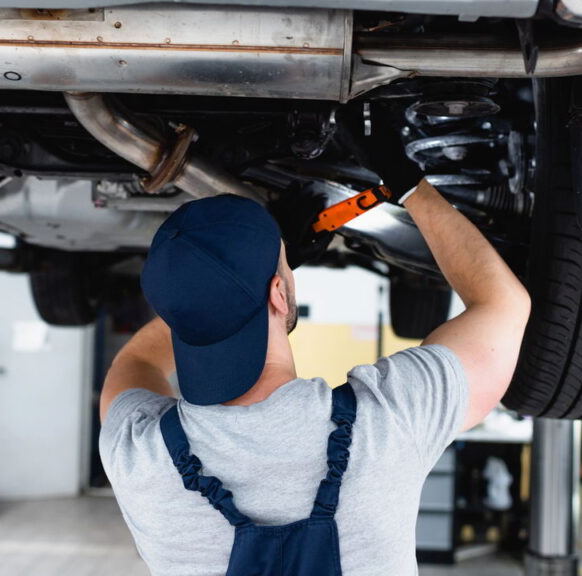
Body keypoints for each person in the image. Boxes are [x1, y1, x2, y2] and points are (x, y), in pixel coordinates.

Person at [98, 121, 531, 574]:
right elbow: (504, 305)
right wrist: (409, 186)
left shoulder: (140, 454)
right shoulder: (387, 420)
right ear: (279, 294)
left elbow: (138, 360)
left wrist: (260, 277)